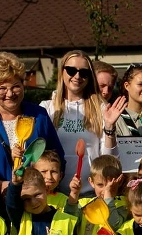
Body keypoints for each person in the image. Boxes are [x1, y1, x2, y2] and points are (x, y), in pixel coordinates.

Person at [0, 52, 65, 194]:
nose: (10, 93)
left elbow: (57, 158)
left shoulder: (39, 115)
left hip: (33, 202)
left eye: (15, 86)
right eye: (2, 88)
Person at [40, 50, 121, 194]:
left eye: (84, 72)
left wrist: (109, 127)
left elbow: (109, 159)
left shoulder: (100, 108)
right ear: (62, 72)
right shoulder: (47, 108)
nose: (77, 76)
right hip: (54, 193)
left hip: (90, 193)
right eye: (71, 70)